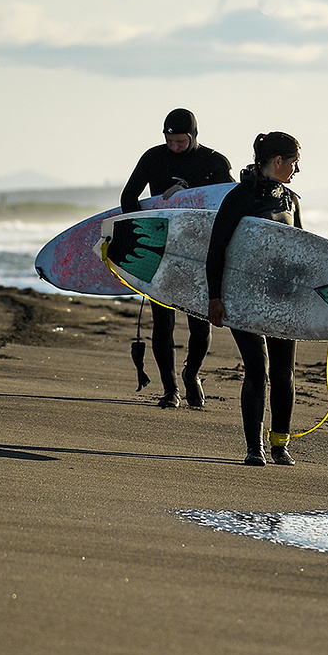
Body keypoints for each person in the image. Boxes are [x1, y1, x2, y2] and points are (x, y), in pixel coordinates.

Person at [120, 108, 234, 409]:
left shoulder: (214, 162)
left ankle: (191, 374)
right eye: (170, 141)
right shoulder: (153, 158)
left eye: (181, 142)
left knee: (200, 324)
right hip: (163, 251)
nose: (174, 147)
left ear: (194, 136)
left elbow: (230, 203)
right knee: (162, 322)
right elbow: (127, 198)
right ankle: (170, 389)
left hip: (200, 252)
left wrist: (187, 194)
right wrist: (144, 238)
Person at [206, 131, 304, 466]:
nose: (295, 170)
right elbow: (216, 249)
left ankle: (280, 444)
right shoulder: (239, 198)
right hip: (243, 297)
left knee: (283, 371)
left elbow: (303, 253)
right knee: (257, 369)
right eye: (294, 163)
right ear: (278, 161)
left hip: (282, 300)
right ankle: (254, 447)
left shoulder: (291, 201)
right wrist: (215, 298)